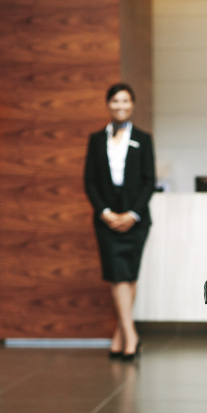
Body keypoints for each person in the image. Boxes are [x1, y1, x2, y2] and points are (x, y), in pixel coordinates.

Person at [84, 83, 156, 362]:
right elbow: (89, 181)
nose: (120, 106)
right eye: (115, 101)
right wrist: (105, 212)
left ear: (133, 104)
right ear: (108, 104)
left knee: (129, 275)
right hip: (106, 220)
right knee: (117, 275)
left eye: (126, 101)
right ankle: (132, 336)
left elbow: (149, 181)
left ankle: (120, 337)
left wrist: (132, 214)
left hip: (136, 219)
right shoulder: (95, 139)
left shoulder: (143, 138)